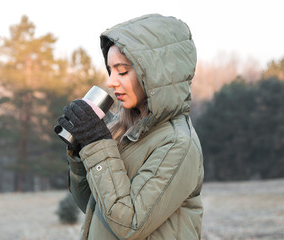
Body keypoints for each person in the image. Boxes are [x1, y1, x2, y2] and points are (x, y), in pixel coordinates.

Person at [57, 13, 204, 240]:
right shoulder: (127, 132)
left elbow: (129, 224)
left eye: (122, 71)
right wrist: (80, 153)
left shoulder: (177, 143)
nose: (111, 81)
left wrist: (96, 144)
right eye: (111, 70)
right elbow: (95, 207)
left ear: (156, 74)